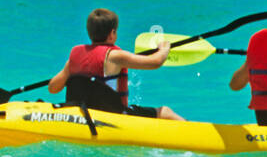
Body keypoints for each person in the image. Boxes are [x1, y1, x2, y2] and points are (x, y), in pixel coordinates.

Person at [47, 8, 183, 120]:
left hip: (81, 113)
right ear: (112, 34)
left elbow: (53, 88)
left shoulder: (74, 59)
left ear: (89, 33)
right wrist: (164, 48)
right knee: (165, 111)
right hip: (113, 115)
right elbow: (155, 62)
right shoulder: (115, 56)